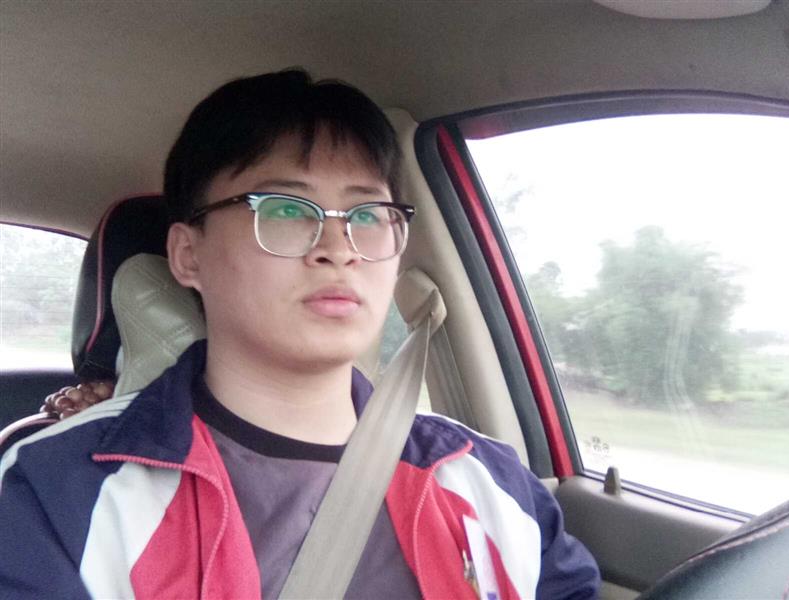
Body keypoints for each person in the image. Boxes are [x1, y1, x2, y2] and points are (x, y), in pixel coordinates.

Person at [0, 70, 600, 599]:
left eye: (368, 215)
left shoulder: (488, 477)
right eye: (285, 209)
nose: (339, 248)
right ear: (187, 254)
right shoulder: (59, 492)